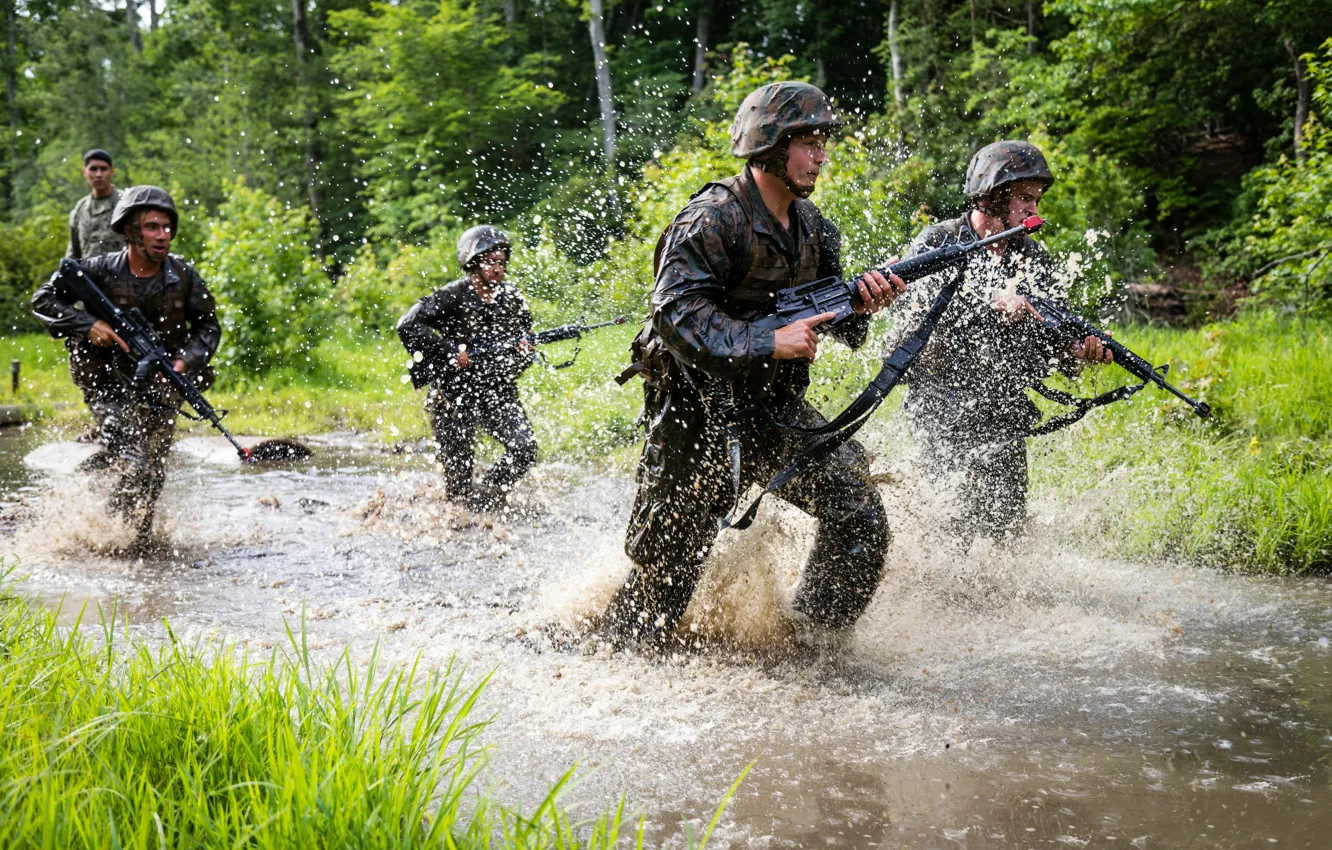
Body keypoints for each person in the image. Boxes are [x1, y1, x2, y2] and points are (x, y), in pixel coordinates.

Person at [604, 81, 906, 649]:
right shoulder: (714, 219)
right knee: (666, 568)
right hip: (696, 416)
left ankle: (811, 645)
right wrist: (768, 341)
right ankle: (613, 661)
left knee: (859, 515)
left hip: (775, 409)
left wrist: (860, 302)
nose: (821, 155)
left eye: (823, 142)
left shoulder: (816, 229)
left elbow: (830, 320)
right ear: (770, 146)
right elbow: (676, 315)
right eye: (809, 143)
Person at [885, 140, 1112, 542]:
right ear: (993, 195)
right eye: (1025, 198)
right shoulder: (938, 241)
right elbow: (910, 325)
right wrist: (987, 301)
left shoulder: (1034, 257)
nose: (1033, 211)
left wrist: (1077, 351)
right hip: (940, 405)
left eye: (1038, 201)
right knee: (952, 523)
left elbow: (1050, 337)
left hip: (1003, 408)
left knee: (1005, 528)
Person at [32, 185, 221, 546]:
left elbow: (208, 327)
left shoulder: (183, 276)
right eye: (152, 227)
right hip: (106, 382)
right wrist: (88, 326)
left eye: (167, 227)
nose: (162, 235)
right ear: (131, 231)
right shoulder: (98, 271)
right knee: (133, 456)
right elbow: (44, 300)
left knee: (153, 470)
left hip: (162, 385)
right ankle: (104, 535)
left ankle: (137, 540)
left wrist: (185, 360)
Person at [397, 225, 539, 512]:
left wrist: (523, 353)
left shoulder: (512, 298)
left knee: (525, 448)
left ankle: (488, 495)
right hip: (452, 396)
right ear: (472, 262)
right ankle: (465, 516)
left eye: (501, 262)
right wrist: (451, 351)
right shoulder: (450, 295)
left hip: (496, 391)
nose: (497, 269)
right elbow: (407, 325)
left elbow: (526, 335)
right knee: (458, 489)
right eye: (489, 262)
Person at [65, 149, 126, 260]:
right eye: (93, 169)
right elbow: (74, 252)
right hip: (87, 275)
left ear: (111, 171)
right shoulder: (80, 209)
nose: (98, 174)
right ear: (84, 172)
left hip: (121, 274)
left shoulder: (125, 203)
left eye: (103, 169)